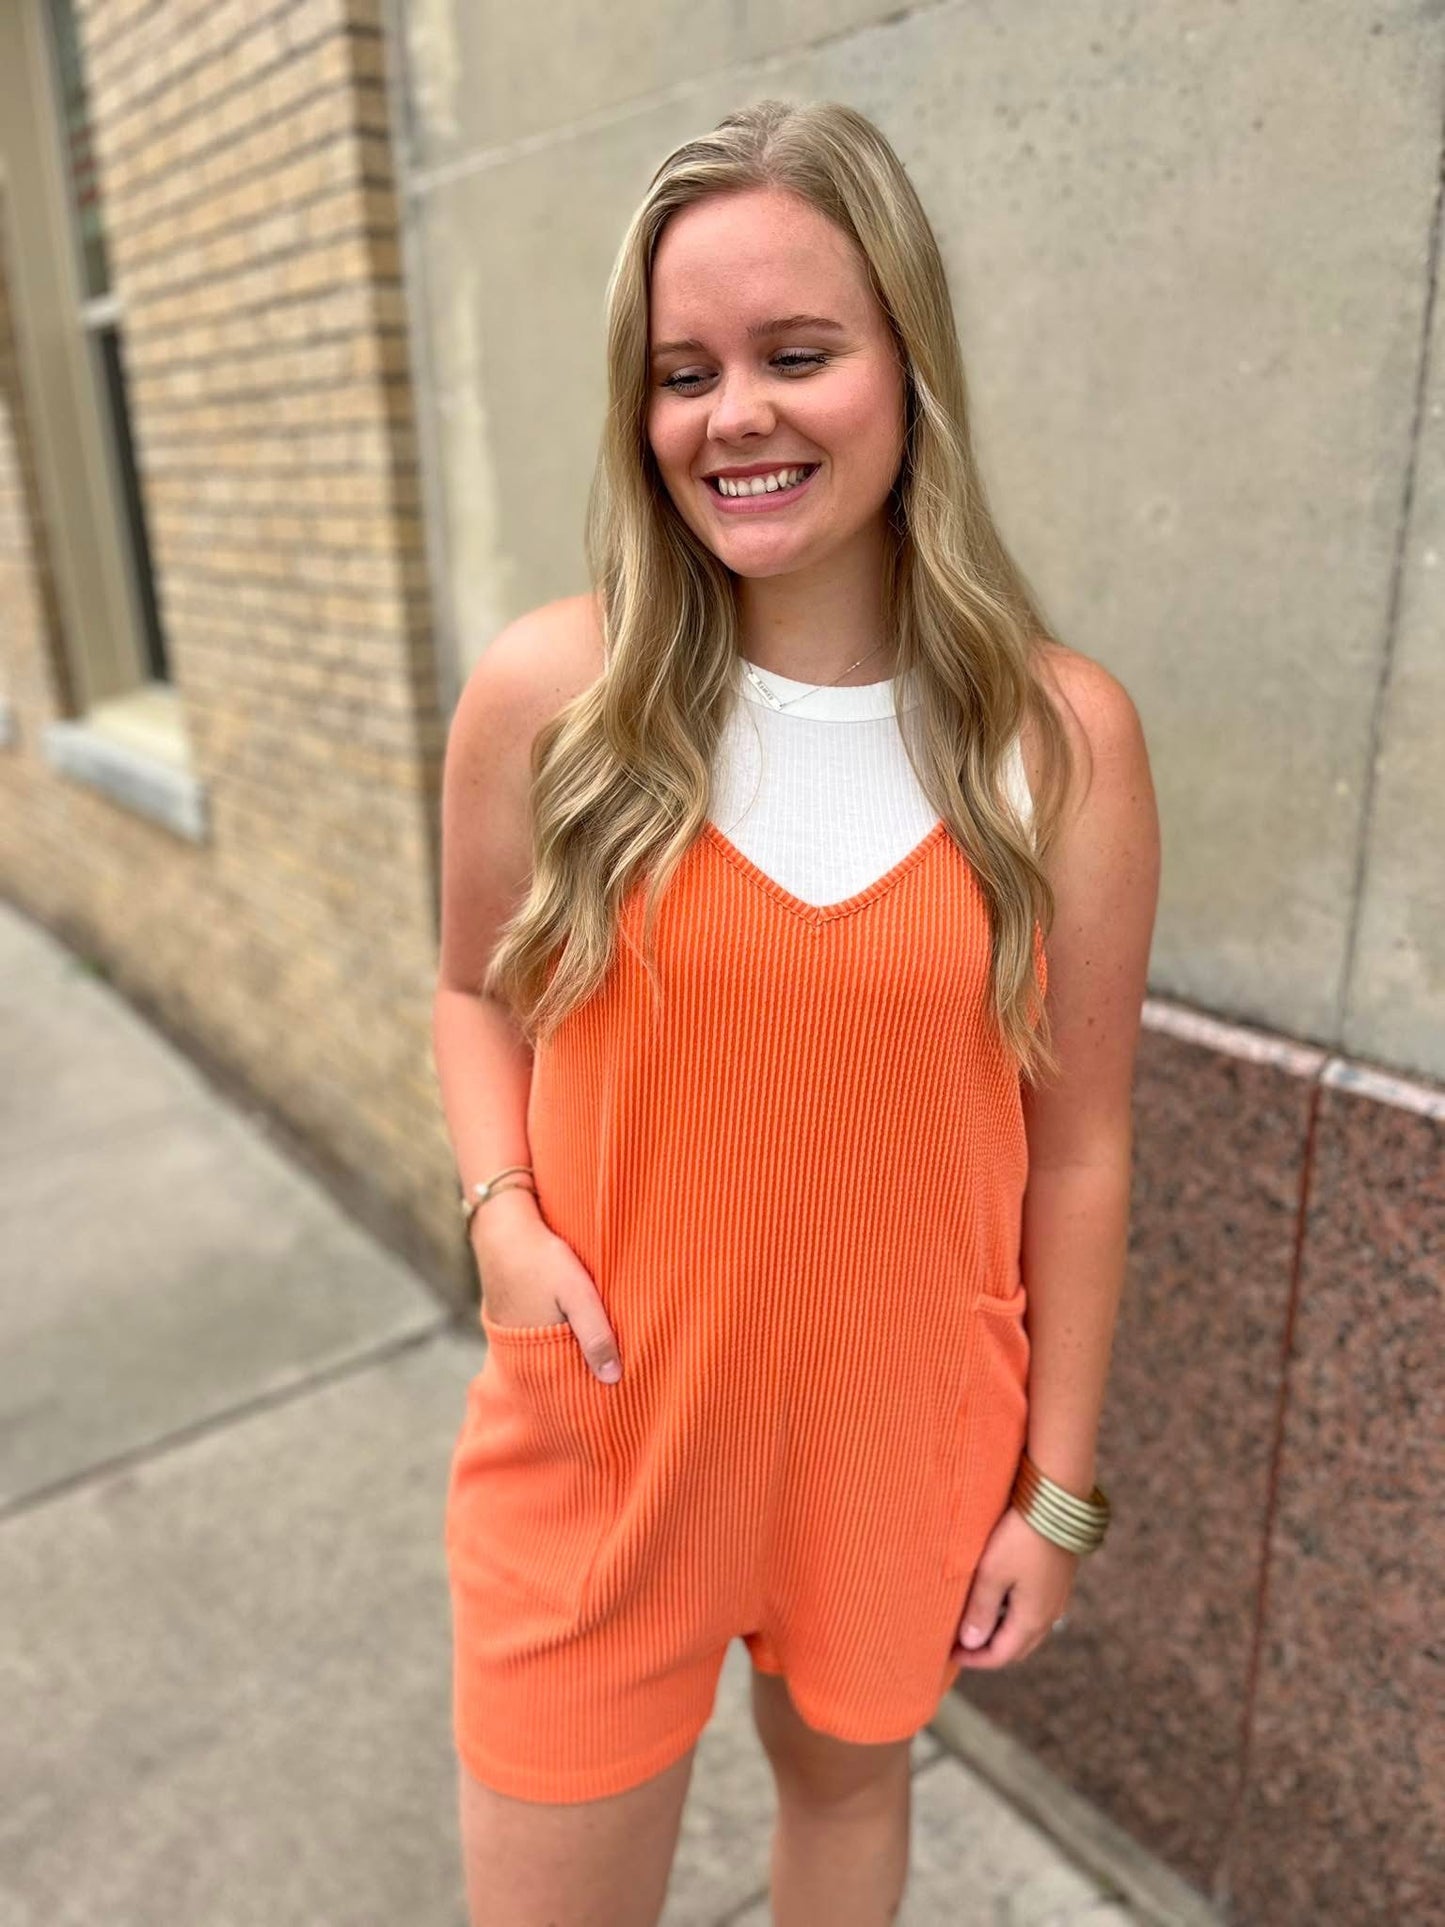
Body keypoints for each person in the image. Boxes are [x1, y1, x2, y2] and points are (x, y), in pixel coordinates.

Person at [433, 96, 1159, 1927]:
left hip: (898, 1446)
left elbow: (1078, 1148)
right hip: (603, 1442)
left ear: (906, 367)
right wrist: (501, 1217)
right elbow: (470, 992)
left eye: (797, 354)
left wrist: (1056, 1495)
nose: (732, 414)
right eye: (683, 374)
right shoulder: (553, 695)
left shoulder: (1057, 740)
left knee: (845, 1802)